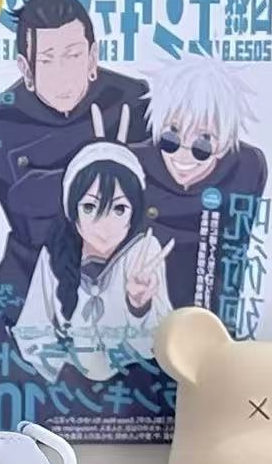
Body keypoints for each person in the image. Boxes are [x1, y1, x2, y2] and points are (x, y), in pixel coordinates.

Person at [0, 0, 148, 365]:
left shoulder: (136, 103)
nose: (63, 76)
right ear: (26, 67)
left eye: (73, 56)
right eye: (48, 60)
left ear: (92, 56)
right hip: (26, 316)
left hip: (126, 313)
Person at [13, 117, 173, 385]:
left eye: (119, 208)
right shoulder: (54, 253)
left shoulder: (144, 253)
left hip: (134, 393)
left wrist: (139, 306)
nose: (104, 225)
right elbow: (32, 331)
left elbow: (160, 346)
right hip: (69, 393)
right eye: (89, 207)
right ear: (72, 209)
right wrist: (63, 372)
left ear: (134, 212)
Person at [136, 55, 268, 333]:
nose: (183, 156)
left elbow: (233, 258)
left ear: (224, 144)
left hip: (204, 325)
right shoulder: (135, 164)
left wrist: (221, 336)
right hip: (139, 321)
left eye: (203, 143)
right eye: (171, 138)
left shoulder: (246, 168)